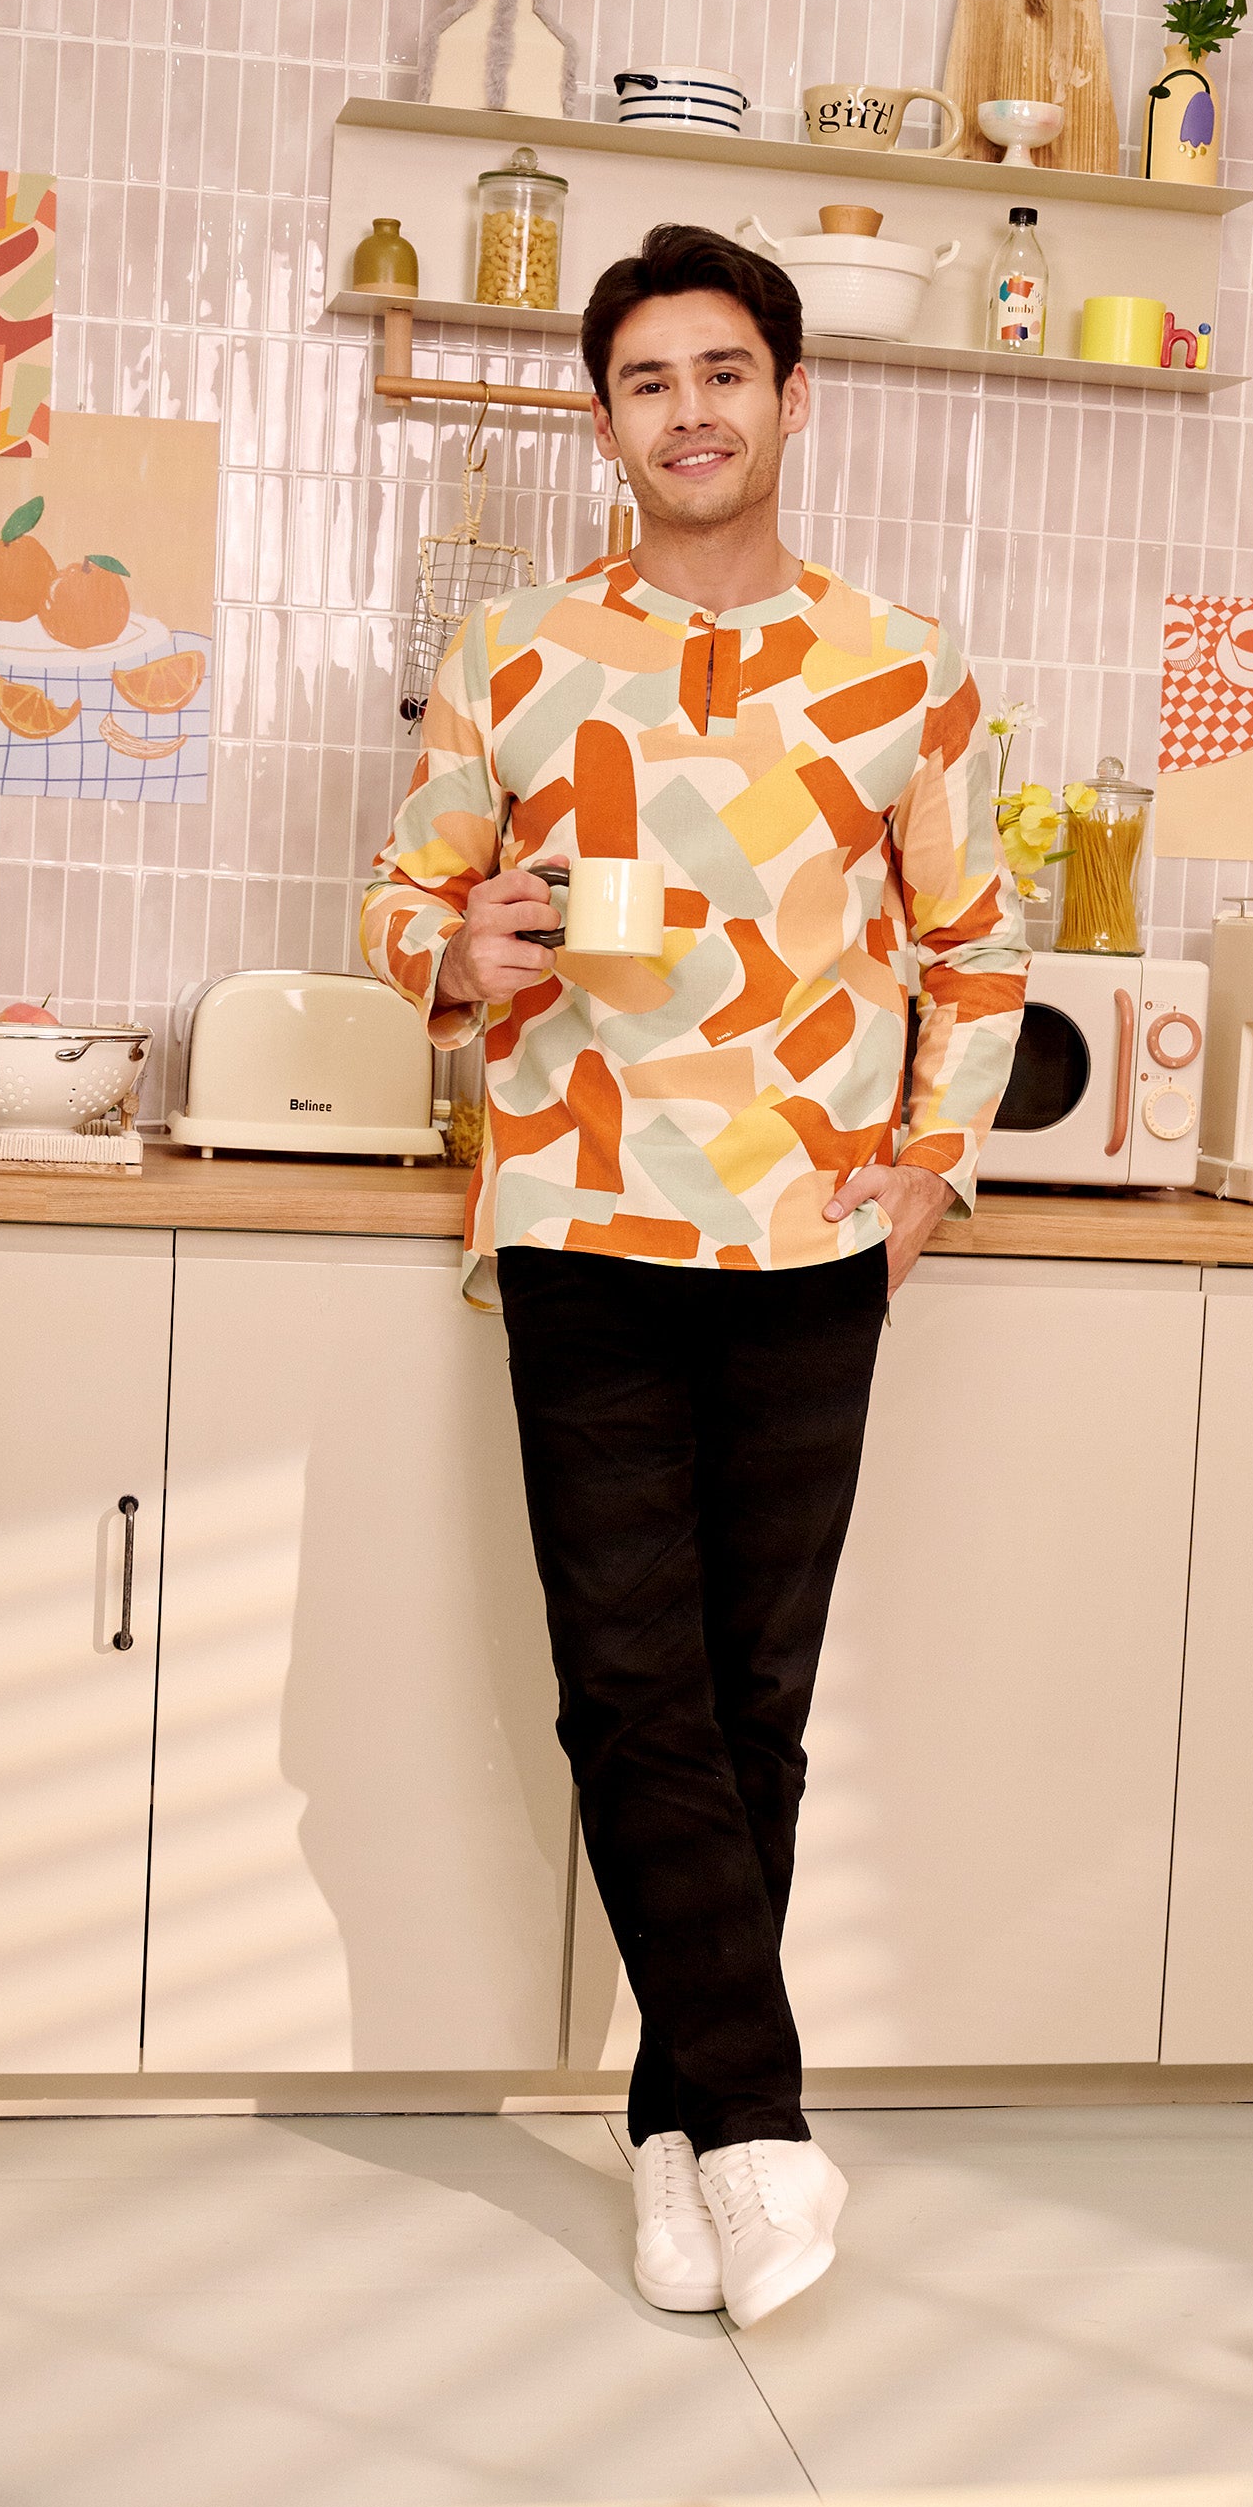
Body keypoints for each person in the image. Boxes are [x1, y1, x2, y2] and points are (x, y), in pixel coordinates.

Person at [362, 223, 1027, 2328]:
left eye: (727, 370)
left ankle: (673, 2130)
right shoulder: (515, 651)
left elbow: (979, 951)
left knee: (753, 1705)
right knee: (628, 1684)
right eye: (650, 381)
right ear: (606, 421)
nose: (693, 410)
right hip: (579, 1219)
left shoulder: (904, 668)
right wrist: (449, 953)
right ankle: (755, 2126)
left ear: (794, 395)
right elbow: (407, 889)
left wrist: (924, 1177)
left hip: (816, 1244)